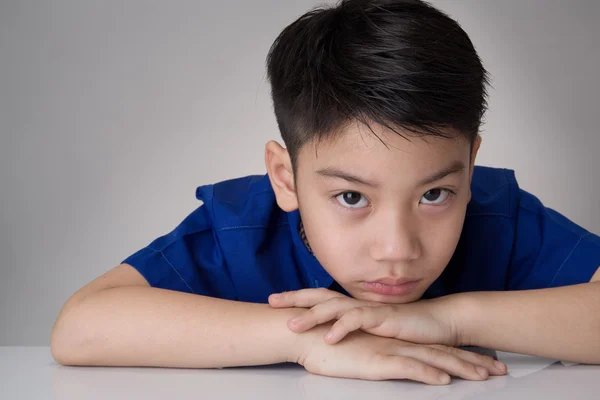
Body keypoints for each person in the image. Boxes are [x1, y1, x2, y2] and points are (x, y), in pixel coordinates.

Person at [50, 0, 600, 385]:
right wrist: (308, 340)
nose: (397, 249)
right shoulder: (242, 230)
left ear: (470, 165)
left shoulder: (497, 218)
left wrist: (449, 319)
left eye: (434, 195)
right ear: (285, 177)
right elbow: (80, 327)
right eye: (352, 198)